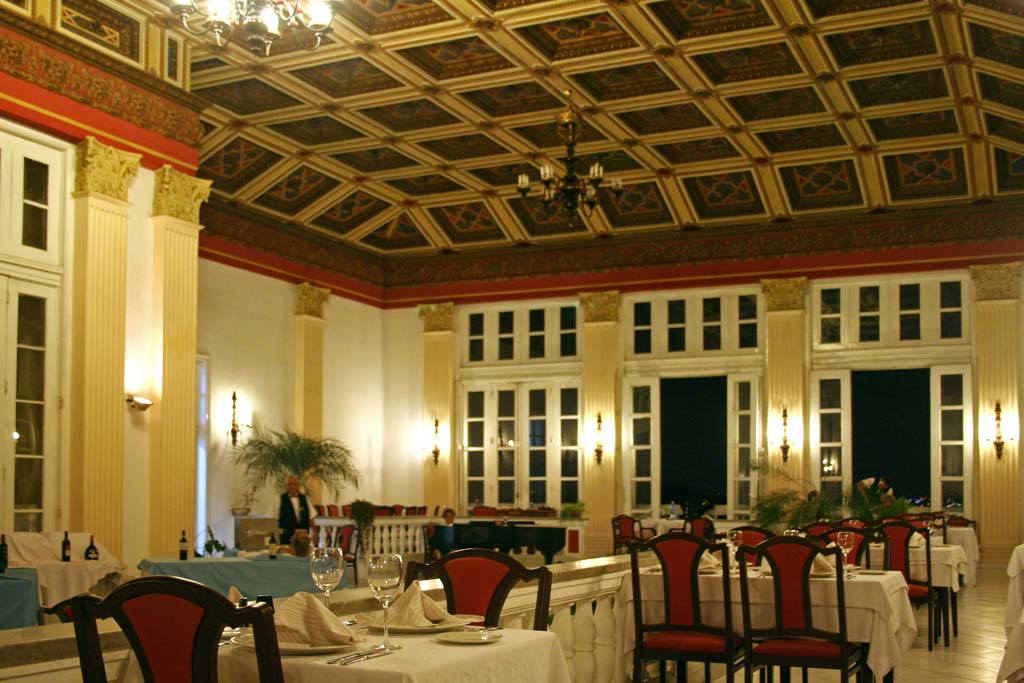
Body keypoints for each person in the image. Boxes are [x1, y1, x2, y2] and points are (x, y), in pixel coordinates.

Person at [277, 475, 311, 544]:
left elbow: (311, 516)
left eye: (295, 484)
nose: (292, 486)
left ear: (298, 485)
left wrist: (315, 533)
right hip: (286, 537)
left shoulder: (304, 499)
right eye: (290, 484)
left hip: (302, 538)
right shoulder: (280, 499)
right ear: (286, 486)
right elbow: (273, 518)